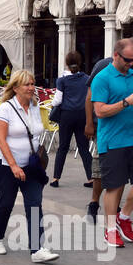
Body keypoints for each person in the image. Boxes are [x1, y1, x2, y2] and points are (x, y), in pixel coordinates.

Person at [90, 38, 133, 247]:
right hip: (112, 140)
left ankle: (124, 217)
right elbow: (100, 111)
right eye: (127, 60)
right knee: (114, 186)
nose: (131, 64)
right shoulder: (102, 78)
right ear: (116, 55)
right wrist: (126, 102)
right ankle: (109, 230)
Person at [0, 69, 59, 262]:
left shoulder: (35, 106)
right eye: (27, 84)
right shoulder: (6, 108)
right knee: (5, 203)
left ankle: (37, 249)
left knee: (34, 203)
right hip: (7, 166)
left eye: (32, 83)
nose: (31, 87)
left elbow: (35, 133)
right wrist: (13, 166)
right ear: (16, 87)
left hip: (32, 166)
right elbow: (1, 140)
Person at [50, 51, 92, 189]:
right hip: (82, 115)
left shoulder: (62, 80)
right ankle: (91, 178)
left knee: (63, 147)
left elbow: (57, 100)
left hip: (67, 115)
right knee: (84, 148)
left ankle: (56, 178)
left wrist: (52, 104)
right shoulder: (86, 78)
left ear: (66, 63)